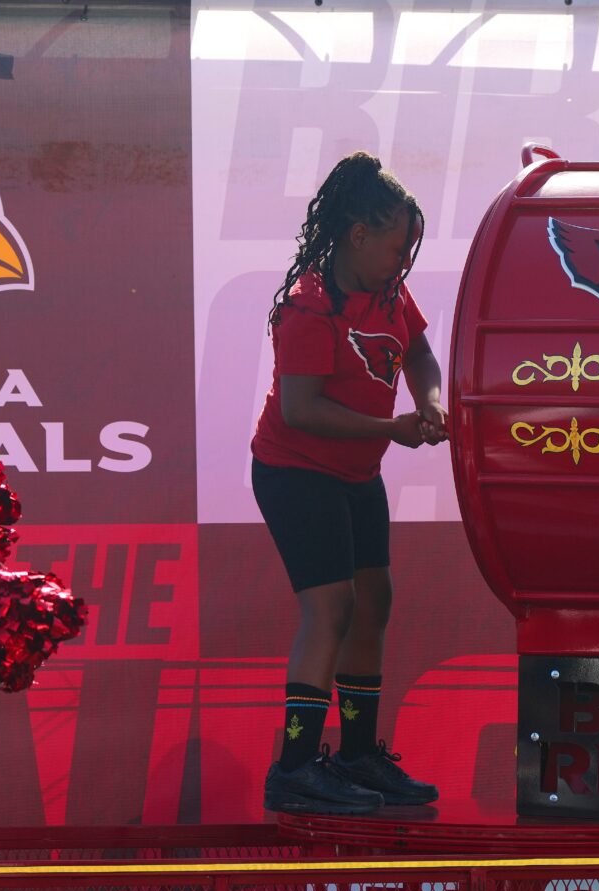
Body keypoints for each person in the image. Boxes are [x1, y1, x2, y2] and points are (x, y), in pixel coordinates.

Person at [250, 151, 447, 815]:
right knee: (330, 608)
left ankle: (359, 754)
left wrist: (433, 400)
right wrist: (392, 426)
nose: (405, 260)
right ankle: (297, 766)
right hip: (295, 473)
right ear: (359, 235)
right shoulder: (310, 306)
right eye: (398, 246)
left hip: (357, 471)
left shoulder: (387, 290)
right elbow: (300, 410)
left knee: (376, 602)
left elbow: (418, 352)